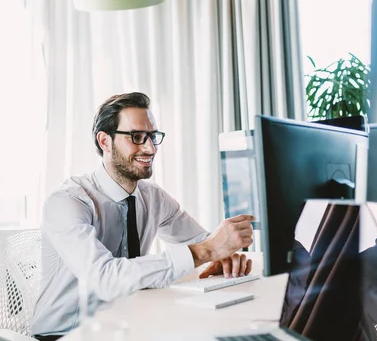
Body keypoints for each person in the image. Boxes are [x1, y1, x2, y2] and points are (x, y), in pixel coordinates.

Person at [31, 92, 254, 340]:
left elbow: (203, 240)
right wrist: (206, 251)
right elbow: (104, 278)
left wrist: (225, 253)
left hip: (128, 325)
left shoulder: (152, 197)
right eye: (136, 137)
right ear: (105, 141)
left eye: (153, 136)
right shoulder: (67, 202)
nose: (150, 148)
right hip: (67, 334)